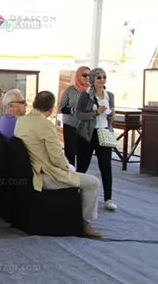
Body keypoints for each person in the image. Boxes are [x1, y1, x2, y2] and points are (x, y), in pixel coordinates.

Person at [14, 91, 102, 238]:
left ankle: (74, 217)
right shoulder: (45, 125)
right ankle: (83, 223)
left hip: (30, 173)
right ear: (51, 109)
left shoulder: (21, 121)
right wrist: (68, 168)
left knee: (75, 174)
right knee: (92, 183)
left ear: (34, 103)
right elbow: (56, 158)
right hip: (45, 176)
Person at [75, 68, 117, 211]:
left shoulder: (110, 95)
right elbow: (79, 115)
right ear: (93, 79)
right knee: (82, 165)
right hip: (88, 134)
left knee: (106, 166)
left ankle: (108, 198)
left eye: (104, 77)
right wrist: (95, 113)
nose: (102, 80)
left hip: (104, 132)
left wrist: (111, 115)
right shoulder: (85, 96)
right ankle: (76, 191)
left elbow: (111, 115)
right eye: (99, 77)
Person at [59, 66, 91, 167]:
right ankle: (71, 173)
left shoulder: (92, 91)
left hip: (86, 126)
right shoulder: (70, 90)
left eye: (89, 75)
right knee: (70, 153)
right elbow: (61, 108)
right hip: (71, 125)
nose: (87, 78)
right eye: (84, 75)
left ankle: (81, 174)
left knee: (84, 154)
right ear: (78, 76)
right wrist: (72, 110)